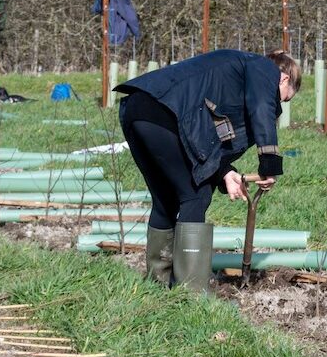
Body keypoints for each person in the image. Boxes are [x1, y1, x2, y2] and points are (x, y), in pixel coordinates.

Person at [114, 49, 299, 291]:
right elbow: (262, 108)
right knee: (196, 195)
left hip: (139, 109)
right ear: (284, 79)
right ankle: (188, 291)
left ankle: (157, 286)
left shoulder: (235, 79)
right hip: (165, 113)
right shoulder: (265, 69)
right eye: (285, 98)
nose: (280, 105)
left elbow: (209, 136)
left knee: (166, 200)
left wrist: (224, 172)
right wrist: (270, 163)